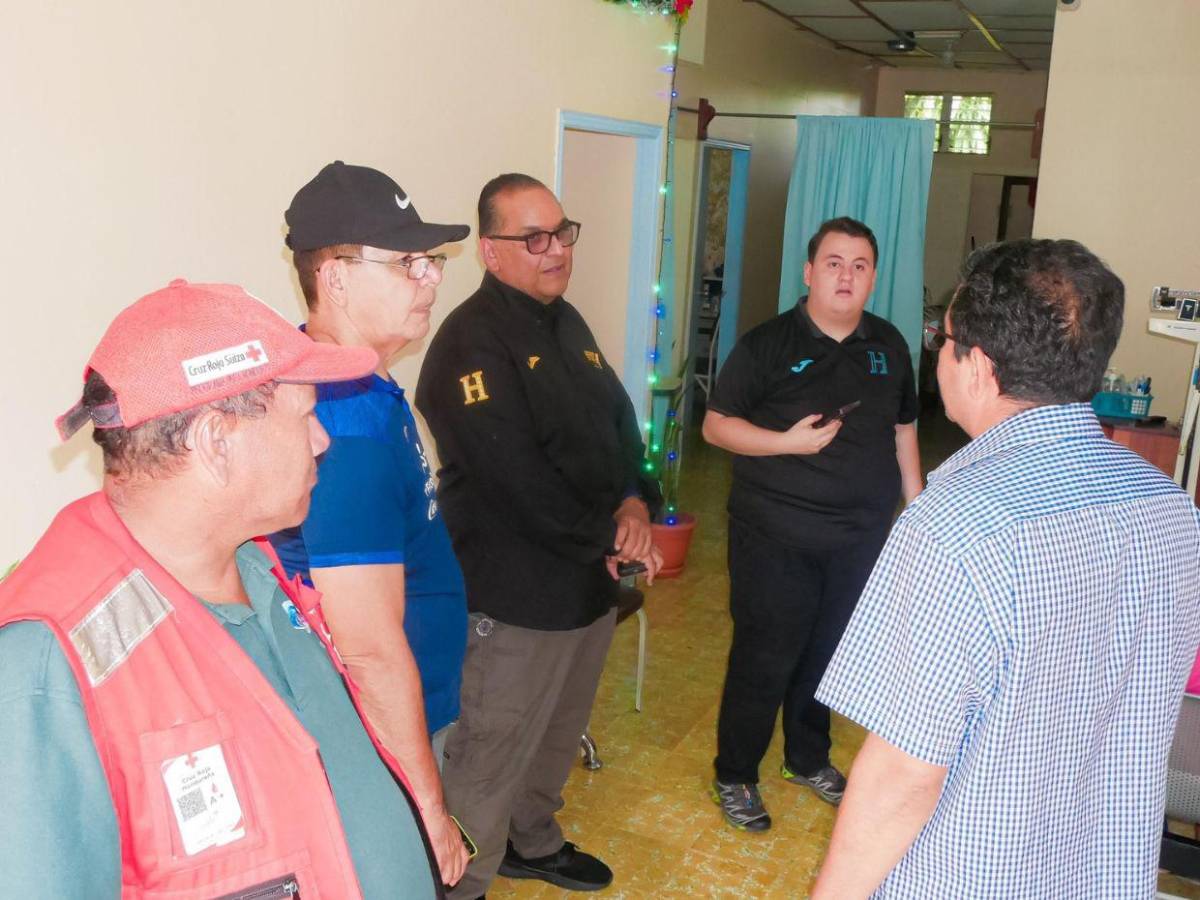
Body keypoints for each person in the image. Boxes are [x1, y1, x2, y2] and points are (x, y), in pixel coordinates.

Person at [0, 279, 444, 898]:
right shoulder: (45, 667)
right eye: (306, 415)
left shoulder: (259, 566)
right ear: (216, 442)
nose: (322, 440)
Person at [812, 239, 1200, 898]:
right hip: (1106, 874)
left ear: (979, 368)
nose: (938, 351)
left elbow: (904, 774)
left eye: (945, 338)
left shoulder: (955, 527)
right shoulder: (1168, 508)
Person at [415, 173, 662, 897]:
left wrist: (636, 503)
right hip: (516, 593)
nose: (556, 251)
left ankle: (534, 840)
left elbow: (621, 425)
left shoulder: (567, 323)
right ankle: (462, 883)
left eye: (562, 233)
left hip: (587, 579)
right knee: (490, 752)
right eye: (534, 238)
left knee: (558, 732)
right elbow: (514, 482)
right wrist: (611, 533)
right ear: (491, 252)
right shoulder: (469, 344)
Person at [270, 160, 471, 887]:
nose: (433, 278)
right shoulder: (341, 429)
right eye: (409, 262)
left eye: (432, 259)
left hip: (397, 718)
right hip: (374, 737)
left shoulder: (357, 379)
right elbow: (369, 648)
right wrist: (427, 807)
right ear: (338, 278)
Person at [702, 216, 922, 831]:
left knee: (828, 655)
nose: (846, 275)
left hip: (861, 536)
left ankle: (807, 756)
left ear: (874, 276)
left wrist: (916, 502)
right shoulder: (768, 344)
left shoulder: (889, 345)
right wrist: (786, 444)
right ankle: (736, 773)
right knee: (766, 654)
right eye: (833, 263)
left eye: (859, 265)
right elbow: (716, 426)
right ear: (809, 272)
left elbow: (903, 428)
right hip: (776, 534)